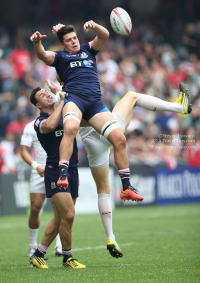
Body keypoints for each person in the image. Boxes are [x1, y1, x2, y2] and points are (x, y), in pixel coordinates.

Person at [48, 78, 192, 257]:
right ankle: (180, 108)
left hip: (93, 144)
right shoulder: (75, 88)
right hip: (108, 131)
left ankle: (110, 238)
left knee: (102, 191)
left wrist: (58, 95)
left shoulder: (61, 98)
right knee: (132, 96)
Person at [30, 21, 144, 202]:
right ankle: (63, 174)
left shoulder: (88, 49)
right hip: (74, 100)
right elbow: (42, 55)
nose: (74, 42)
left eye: (75, 38)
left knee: (119, 139)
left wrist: (95, 26)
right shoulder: (59, 57)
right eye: (69, 40)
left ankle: (126, 187)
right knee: (70, 128)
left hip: (95, 104)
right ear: (62, 44)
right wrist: (37, 42)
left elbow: (104, 35)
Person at [29, 87, 85, 269]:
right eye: (42, 95)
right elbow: (51, 126)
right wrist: (61, 100)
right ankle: (67, 258)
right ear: (38, 105)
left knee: (61, 217)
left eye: (47, 92)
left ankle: (38, 254)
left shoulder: (64, 113)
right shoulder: (39, 122)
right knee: (68, 215)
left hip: (73, 168)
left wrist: (64, 96)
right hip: (55, 170)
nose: (46, 94)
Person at [20, 119, 62, 257]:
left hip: (57, 169)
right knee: (35, 207)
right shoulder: (31, 126)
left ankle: (59, 244)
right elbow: (23, 151)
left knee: (59, 208)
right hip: (39, 169)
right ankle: (33, 246)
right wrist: (35, 166)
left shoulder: (61, 122)